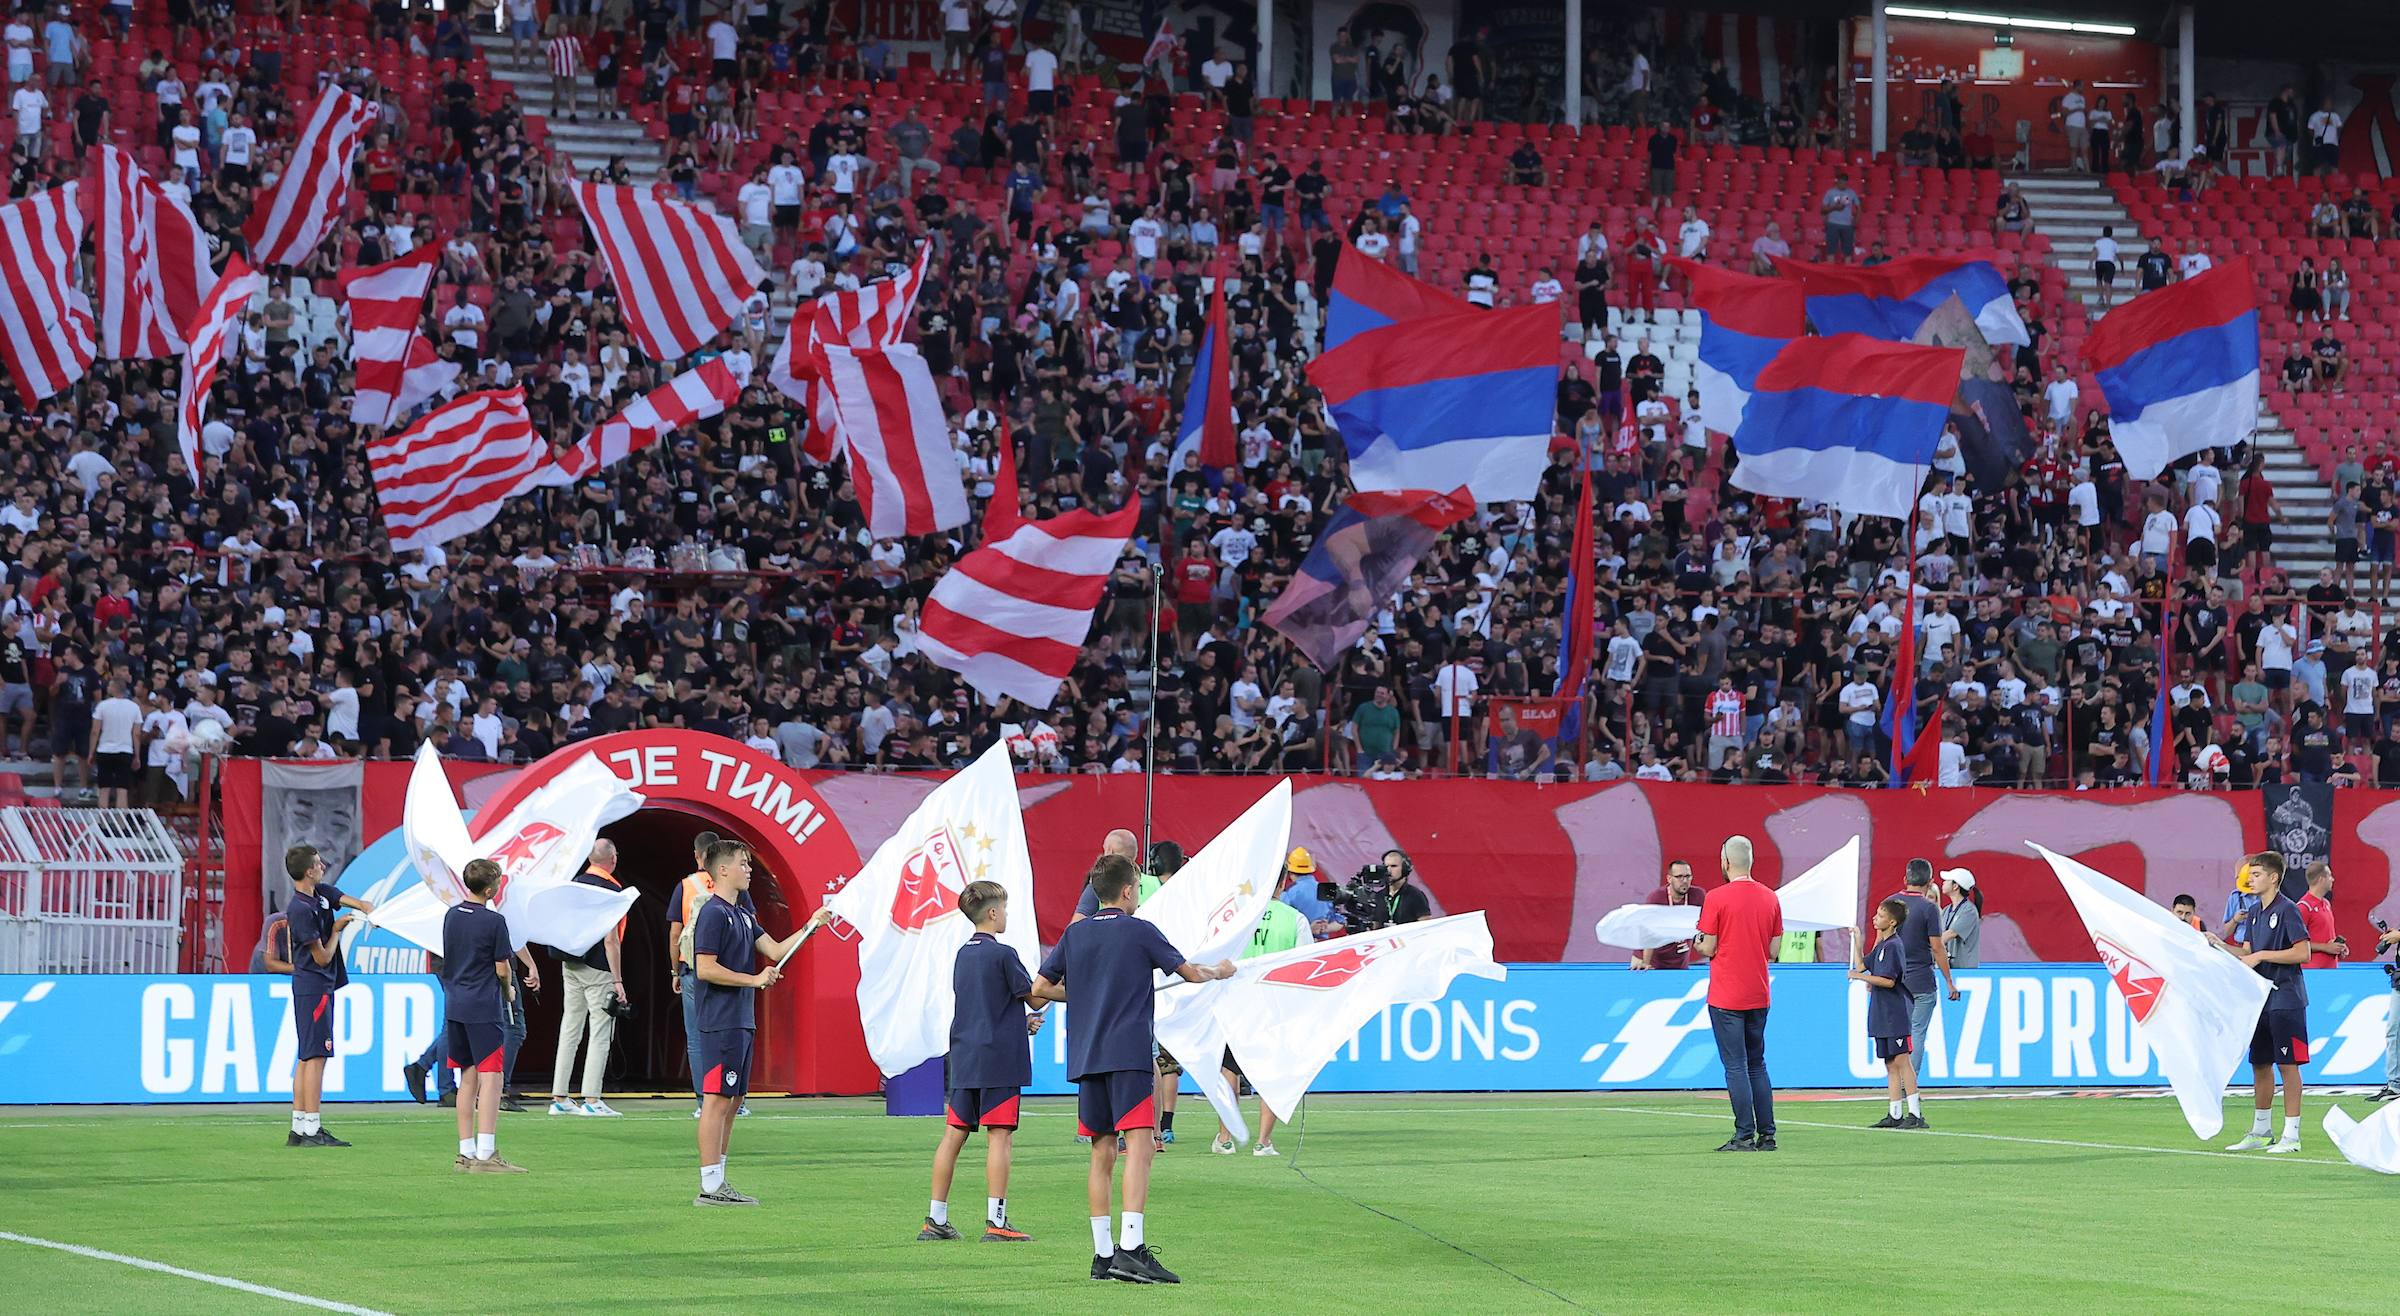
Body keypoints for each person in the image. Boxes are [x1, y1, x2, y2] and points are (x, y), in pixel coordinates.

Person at [1029, 853, 1236, 1284]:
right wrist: (1221, 969)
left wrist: (1084, 994)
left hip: (1087, 1056)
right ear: (1127, 890)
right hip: (1127, 1053)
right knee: (1141, 1147)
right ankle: (1132, 1249)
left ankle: (1103, 1255)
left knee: (1101, 1151)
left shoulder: (1076, 934)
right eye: (1137, 889)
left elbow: (1040, 987)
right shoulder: (1139, 930)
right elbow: (1191, 974)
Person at [692, 839, 833, 1204]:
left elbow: (774, 950)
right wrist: (754, 980)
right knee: (717, 1099)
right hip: (721, 1021)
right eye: (744, 863)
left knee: (733, 1099)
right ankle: (710, 1185)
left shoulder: (742, 914)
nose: (749, 869)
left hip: (740, 1019)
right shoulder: (712, 913)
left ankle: (719, 1181)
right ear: (723, 869)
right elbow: (705, 968)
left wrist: (809, 926)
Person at [921, 880, 1042, 1242]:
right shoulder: (1003, 954)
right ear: (992, 913)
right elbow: (1035, 997)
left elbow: (981, 1008)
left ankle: (935, 1218)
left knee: (952, 1136)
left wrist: (1017, 1022)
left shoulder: (962, 953)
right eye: (1004, 908)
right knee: (999, 1138)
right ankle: (997, 1222)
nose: (1006, 915)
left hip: (965, 1057)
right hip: (999, 1060)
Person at [1211, 861, 1312, 1156]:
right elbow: (1304, 968)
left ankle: (1225, 1137)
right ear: (1283, 883)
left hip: (1235, 1001)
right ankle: (1263, 1141)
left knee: (1229, 1069)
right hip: (1274, 1003)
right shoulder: (1295, 919)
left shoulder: (1236, 917)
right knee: (1270, 1070)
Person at [283, 845, 373, 1148]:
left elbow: (346, 899)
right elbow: (322, 957)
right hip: (314, 985)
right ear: (309, 871)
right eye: (319, 864)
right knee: (316, 1056)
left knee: (306, 1057)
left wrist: (367, 908)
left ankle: (299, 1128)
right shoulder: (299, 909)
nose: (324, 867)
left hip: (316, 986)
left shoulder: (318, 893)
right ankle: (312, 1127)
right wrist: (336, 931)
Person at [1695, 835, 1780, 1151]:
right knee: (1757, 1063)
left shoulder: (1717, 898)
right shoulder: (1770, 897)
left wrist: (1697, 940)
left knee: (1736, 1066)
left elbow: (1709, 945)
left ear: (1725, 862)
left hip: (1727, 994)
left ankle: (1744, 1133)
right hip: (1758, 991)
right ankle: (1767, 1134)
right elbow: (1773, 949)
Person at [2224, 851, 2311, 1153]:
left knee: (2288, 1066)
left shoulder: (2288, 909)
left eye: (2257, 873)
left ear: (2274, 878)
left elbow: (2304, 953)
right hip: (2259, 1001)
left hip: (2286, 998)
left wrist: (2261, 956)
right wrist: (2218, 945)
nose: (2250, 878)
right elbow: (2247, 952)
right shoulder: (2255, 912)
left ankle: (2292, 1135)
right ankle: (2261, 1131)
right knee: (2260, 1064)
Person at [443, 858, 525, 1173]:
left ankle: (465, 1154)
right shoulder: (493, 921)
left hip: (455, 1002)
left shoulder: (452, 915)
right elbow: (502, 968)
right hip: (482, 1005)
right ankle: (487, 1154)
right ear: (490, 889)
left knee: (467, 1076)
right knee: (492, 1078)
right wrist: (508, 991)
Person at [669, 830, 749, 1116]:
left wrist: (674, 970)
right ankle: (732, 1097)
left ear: (697, 854)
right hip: (729, 971)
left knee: (697, 1037)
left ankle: (705, 1100)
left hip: (691, 968)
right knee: (734, 1035)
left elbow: (675, 931)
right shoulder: (734, 893)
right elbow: (751, 926)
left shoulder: (685, 885)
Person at [548, 839, 629, 1117]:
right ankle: (592, 1100)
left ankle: (560, 1097)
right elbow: (612, 940)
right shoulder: (613, 891)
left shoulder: (573, 884)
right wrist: (617, 980)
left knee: (570, 1027)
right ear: (613, 860)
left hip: (569, 962)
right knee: (600, 1031)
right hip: (597, 966)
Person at [1851, 897, 1926, 1129]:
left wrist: (1860, 977)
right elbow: (1863, 965)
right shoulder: (1882, 945)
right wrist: (1858, 941)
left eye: (1881, 915)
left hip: (1896, 1012)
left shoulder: (1894, 946)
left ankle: (1915, 1114)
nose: (1876, 917)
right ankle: (1895, 1113)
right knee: (1890, 1062)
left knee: (1903, 1060)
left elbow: (1888, 981)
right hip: (1882, 1012)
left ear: (1892, 922)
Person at [1895, 859, 1959, 1063]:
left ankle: (1897, 1086)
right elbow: (1937, 947)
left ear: (1906, 879)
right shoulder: (1929, 908)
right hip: (1921, 980)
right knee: (1917, 1032)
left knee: (1896, 1034)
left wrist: (1874, 974)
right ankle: (1910, 1087)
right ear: (1930, 881)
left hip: (1894, 980)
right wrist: (1948, 980)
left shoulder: (1890, 904)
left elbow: (1880, 944)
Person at [1634, 858, 1706, 969]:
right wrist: (1646, 963)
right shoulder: (1657, 898)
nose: (1685, 881)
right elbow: (1648, 931)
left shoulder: (1698, 896)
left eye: (1688, 876)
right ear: (1669, 878)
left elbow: (1709, 925)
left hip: (1679, 961)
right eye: (1679, 877)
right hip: (1649, 959)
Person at [1940, 868, 1982, 969]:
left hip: (1965, 971)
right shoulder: (1946, 910)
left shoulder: (1969, 910)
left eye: (1947, 880)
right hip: (1950, 969)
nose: (1943, 883)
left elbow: (1951, 933)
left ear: (1955, 886)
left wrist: (1927, 946)